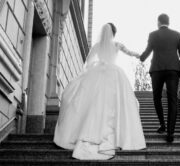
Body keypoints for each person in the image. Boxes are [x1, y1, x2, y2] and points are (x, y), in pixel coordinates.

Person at [54, 23, 146, 160]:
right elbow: (130, 52)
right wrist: (140, 55)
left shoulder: (97, 46)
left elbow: (88, 61)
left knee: (95, 103)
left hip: (98, 74)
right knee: (116, 104)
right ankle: (120, 135)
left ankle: (88, 130)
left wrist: (94, 68)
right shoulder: (117, 45)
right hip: (114, 75)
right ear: (114, 34)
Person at [140, 13, 180, 143]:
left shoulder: (153, 35)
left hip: (157, 69)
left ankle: (162, 124)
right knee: (172, 100)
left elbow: (148, 50)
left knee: (157, 97)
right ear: (169, 22)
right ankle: (170, 133)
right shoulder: (177, 35)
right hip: (173, 69)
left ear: (158, 22)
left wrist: (141, 57)